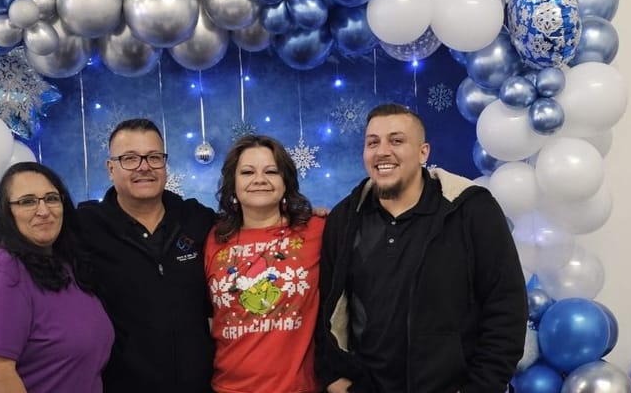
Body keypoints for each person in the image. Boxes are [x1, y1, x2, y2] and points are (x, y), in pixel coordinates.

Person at [0, 119, 216, 393]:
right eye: (130, 158)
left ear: (164, 163)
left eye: (154, 157)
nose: (144, 167)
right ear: (111, 169)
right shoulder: (84, 225)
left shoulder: (198, 220)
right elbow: (19, 245)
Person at [314, 104, 528, 393]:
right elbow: (324, 308)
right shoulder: (345, 218)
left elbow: (506, 306)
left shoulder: (472, 210)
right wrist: (333, 377)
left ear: (423, 152)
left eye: (396, 140)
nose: (382, 151)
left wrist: (481, 387)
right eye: (372, 142)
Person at [0, 161, 113, 393]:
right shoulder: (4, 272)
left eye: (52, 198)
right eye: (27, 201)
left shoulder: (65, 263)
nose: (44, 211)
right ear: (7, 212)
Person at [205, 135, 324, 393]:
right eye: (247, 172)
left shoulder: (317, 230)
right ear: (233, 183)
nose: (260, 179)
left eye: (271, 171)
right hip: (227, 387)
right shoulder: (213, 239)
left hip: (297, 388)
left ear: (285, 181)